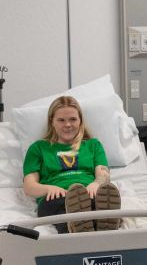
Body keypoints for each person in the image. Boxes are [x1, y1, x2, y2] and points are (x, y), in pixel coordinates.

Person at [22, 96, 121, 234]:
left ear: (80, 121)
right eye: (61, 120)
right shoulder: (38, 148)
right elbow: (29, 186)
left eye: (73, 119)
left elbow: (103, 173)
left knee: (96, 200)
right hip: (55, 198)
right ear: (52, 122)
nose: (67, 124)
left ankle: (99, 222)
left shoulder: (93, 145)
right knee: (64, 208)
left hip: (89, 193)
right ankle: (87, 224)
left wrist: (96, 184)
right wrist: (49, 189)